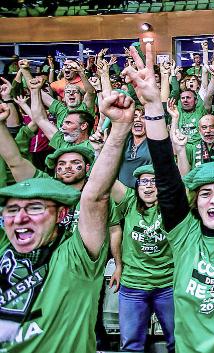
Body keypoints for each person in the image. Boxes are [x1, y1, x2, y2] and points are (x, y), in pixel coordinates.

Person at [122, 42, 214, 352]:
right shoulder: (184, 234)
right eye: (205, 194)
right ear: (195, 200)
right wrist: (153, 105)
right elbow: (165, 174)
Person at [0, 85, 132, 351]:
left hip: (83, 268)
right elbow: (14, 162)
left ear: (60, 213)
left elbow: (97, 199)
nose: (22, 217)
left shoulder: (72, 256)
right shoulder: (43, 190)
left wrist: (118, 132)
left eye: (35, 209)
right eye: (12, 210)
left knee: (89, 314)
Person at [108, 165, 175, 353]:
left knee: (177, 342)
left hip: (168, 284)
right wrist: (119, 266)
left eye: (154, 181)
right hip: (133, 285)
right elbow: (107, 178)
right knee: (130, 346)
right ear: (137, 186)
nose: (149, 186)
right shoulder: (129, 201)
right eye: (144, 182)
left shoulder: (171, 205)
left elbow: (184, 182)